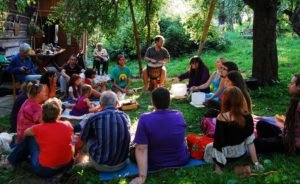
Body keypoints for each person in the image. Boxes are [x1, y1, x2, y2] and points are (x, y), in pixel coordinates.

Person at [1, 98, 74, 177]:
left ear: (42, 114)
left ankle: (9, 161)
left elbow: (25, 133)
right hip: (67, 164)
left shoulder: (38, 128)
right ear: (59, 113)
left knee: (29, 139)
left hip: (45, 170)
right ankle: (14, 159)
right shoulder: (67, 124)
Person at [131, 87, 189, 184]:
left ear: (152, 102)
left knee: (134, 149)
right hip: (180, 159)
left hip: (155, 162)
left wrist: (142, 177)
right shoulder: (179, 115)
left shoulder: (144, 118)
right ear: (169, 101)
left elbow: (141, 149)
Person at [203, 87, 262, 174]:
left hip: (226, 155)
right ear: (241, 99)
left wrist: (218, 168)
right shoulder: (247, 115)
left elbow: (218, 143)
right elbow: (250, 142)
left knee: (209, 147)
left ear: (226, 99)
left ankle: (223, 166)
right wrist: (256, 163)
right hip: (241, 152)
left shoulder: (222, 117)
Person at [80, 91, 131, 171]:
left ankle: (80, 160)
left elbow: (82, 139)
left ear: (100, 105)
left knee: (86, 137)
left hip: (101, 165)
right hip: (122, 163)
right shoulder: (125, 116)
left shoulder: (94, 118)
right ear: (117, 103)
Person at [255, 74, 300, 155]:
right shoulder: (295, 100)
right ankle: (271, 144)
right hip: (286, 135)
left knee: (256, 143)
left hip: (293, 143)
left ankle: (271, 145)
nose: (288, 85)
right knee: (261, 124)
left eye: (292, 83)